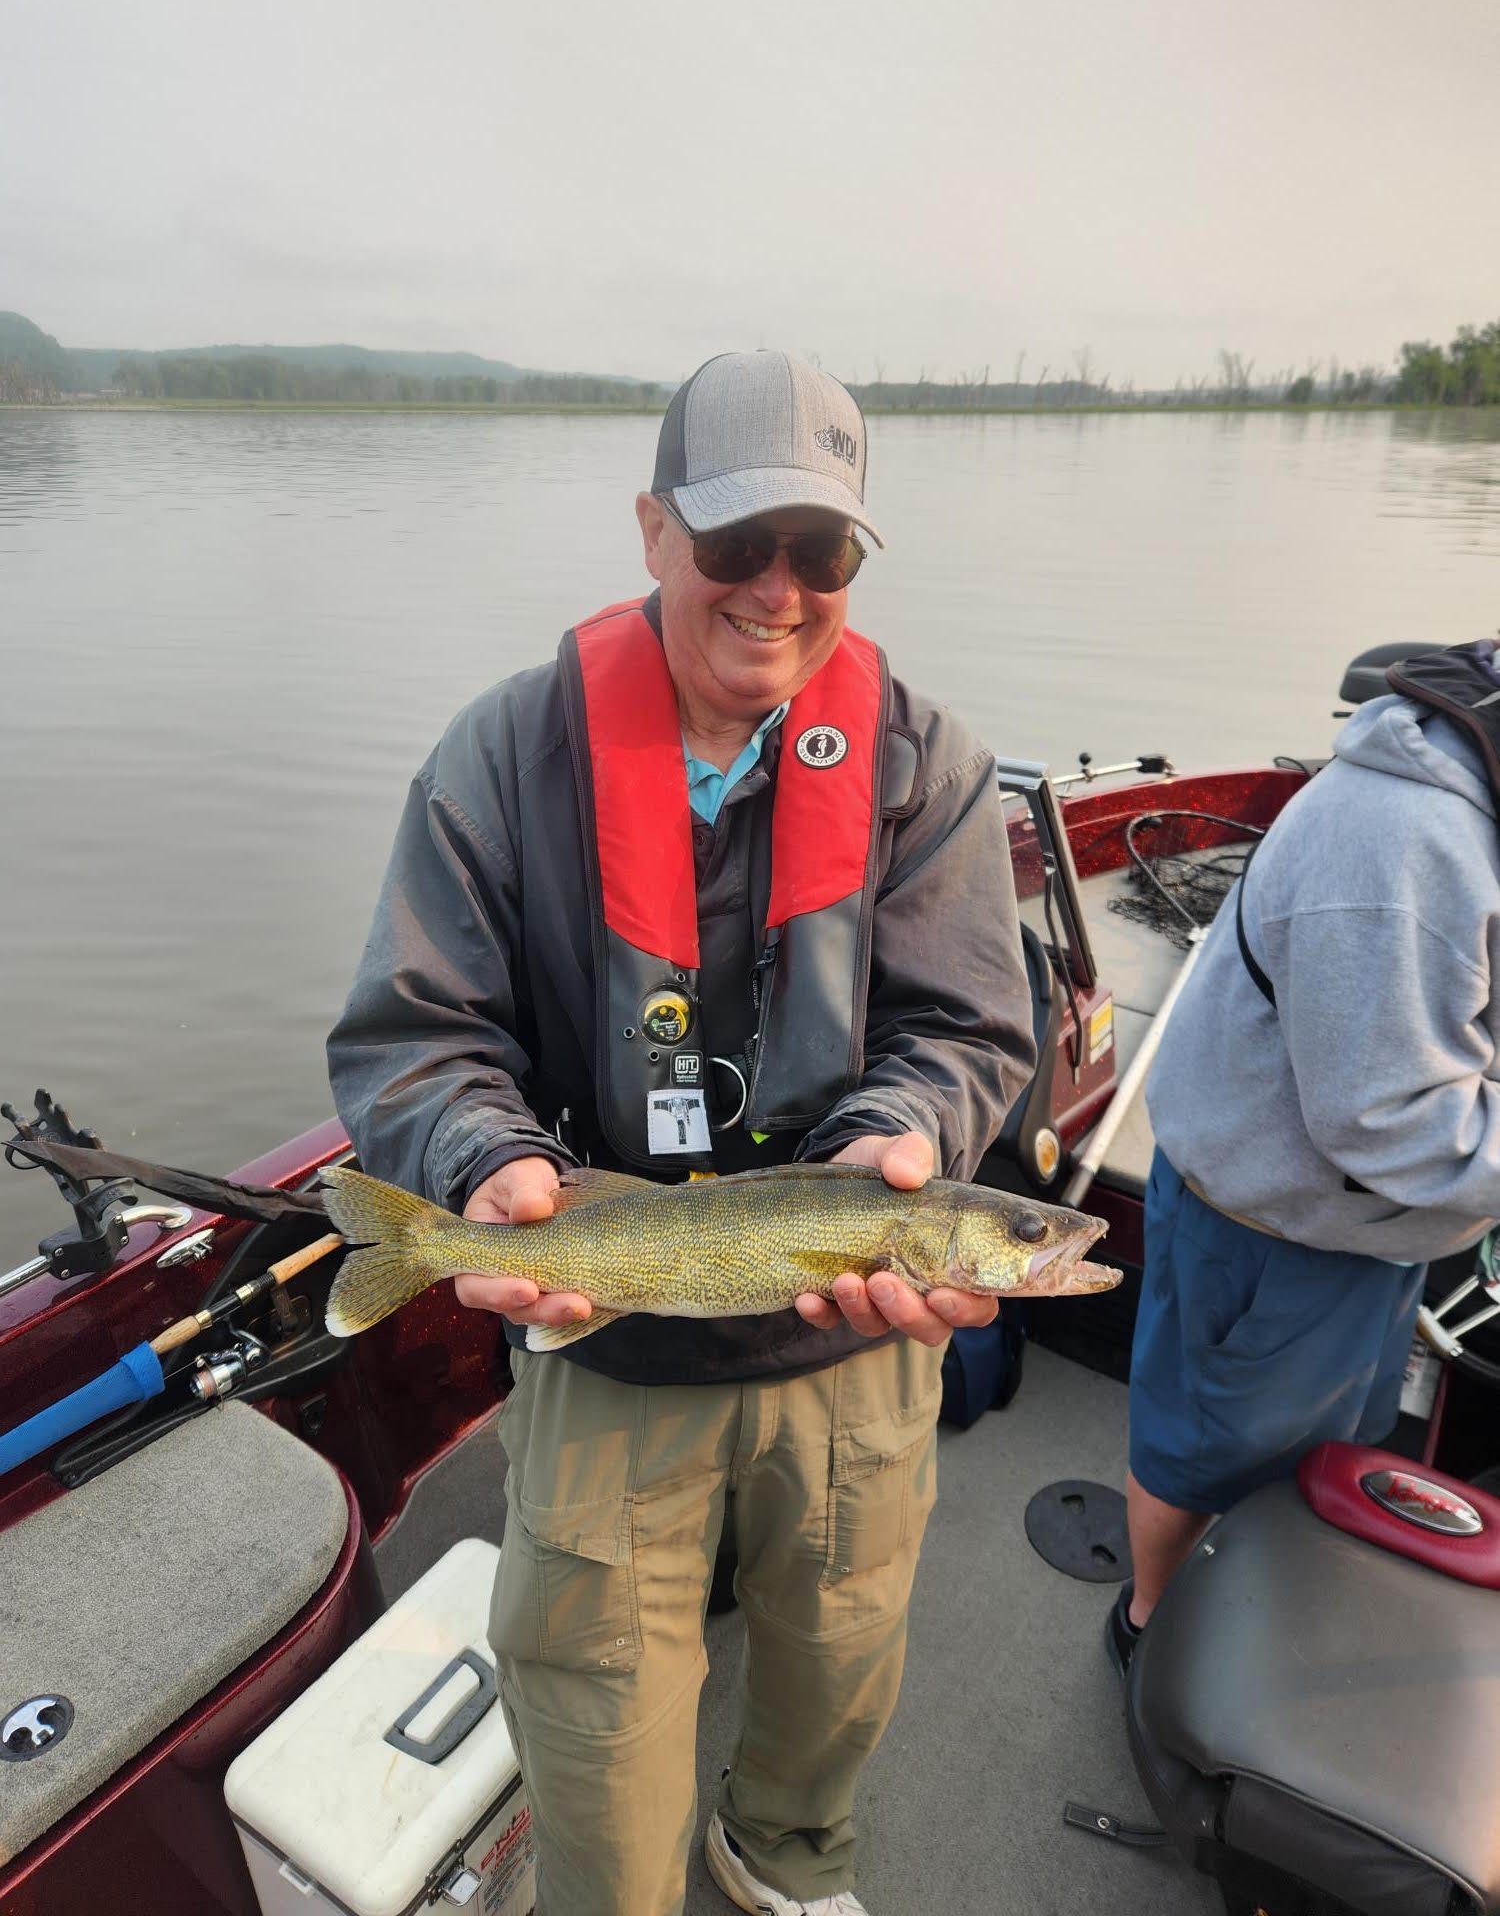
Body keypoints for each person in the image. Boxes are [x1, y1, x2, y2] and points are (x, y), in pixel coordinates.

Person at [327, 350, 1036, 1916]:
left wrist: (908, 1131)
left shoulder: (925, 765)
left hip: (853, 1342)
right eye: (736, 544)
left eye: (822, 552)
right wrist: (484, 1168)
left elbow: (971, 1029)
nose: (778, 591)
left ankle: (784, 1848)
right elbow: (415, 1035)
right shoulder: (502, 759)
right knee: (591, 1702)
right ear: (653, 529)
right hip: (610, 1333)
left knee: (843, 1642)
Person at [1109, 638, 1500, 1676]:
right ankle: (1147, 1629)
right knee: (1197, 1451)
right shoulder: (1402, 848)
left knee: (1314, 1442)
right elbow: (1389, 1124)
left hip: (1369, 1229)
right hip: (1274, 1232)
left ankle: (1232, 1616)